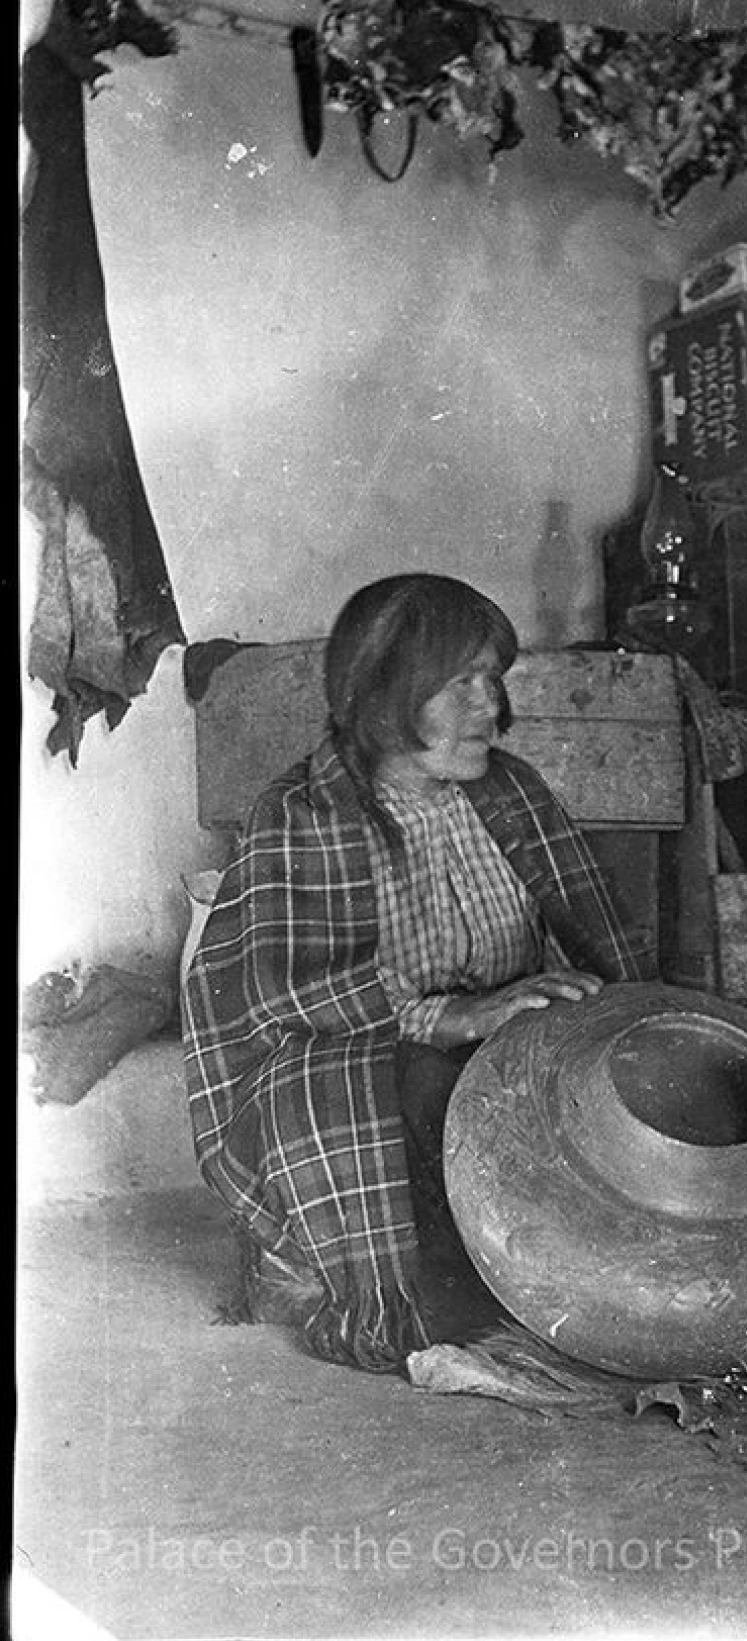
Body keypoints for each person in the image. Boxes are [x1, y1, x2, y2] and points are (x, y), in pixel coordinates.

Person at [182, 573, 653, 1373]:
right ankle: (328, 1264)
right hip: (346, 1066)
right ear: (385, 695)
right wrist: (460, 1019)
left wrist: (600, 1012)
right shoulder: (302, 816)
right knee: (428, 1092)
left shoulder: (513, 793)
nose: (491, 708)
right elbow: (281, 996)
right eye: (459, 683)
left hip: (491, 1048)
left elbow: (600, 939)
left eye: (493, 680)